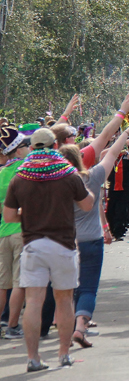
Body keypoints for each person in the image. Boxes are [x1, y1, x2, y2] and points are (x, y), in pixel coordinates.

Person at [2, 128, 94, 372]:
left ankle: (33, 358)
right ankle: (63, 354)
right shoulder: (68, 175)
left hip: (32, 245)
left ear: (31, 148)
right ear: (56, 147)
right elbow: (87, 205)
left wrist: (31, 214)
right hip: (63, 244)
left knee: (33, 301)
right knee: (64, 301)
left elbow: (9, 216)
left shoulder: (20, 178)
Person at [59, 120, 129, 349]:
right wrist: (125, 133)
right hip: (91, 240)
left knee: (69, 287)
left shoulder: (55, 183)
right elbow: (111, 153)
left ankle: (68, 325)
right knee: (89, 287)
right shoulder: (92, 177)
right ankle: (81, 327)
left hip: (66, 242)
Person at [0, 127, 30, 339]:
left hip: (2, 232)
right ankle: (12, 325)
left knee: (3, 284)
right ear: (17, 151)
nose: (29, 148)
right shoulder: (26, 170)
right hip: (22, 230)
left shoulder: (1, 173)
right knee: (20, 283)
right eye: (25, 146)